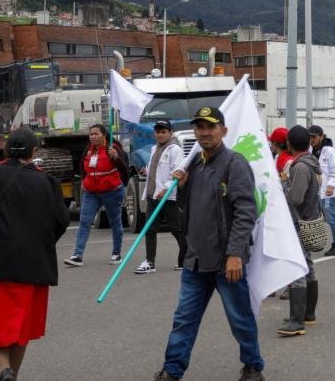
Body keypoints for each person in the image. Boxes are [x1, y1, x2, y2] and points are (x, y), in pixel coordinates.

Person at [155, 106, 263, 381]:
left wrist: (236, 253)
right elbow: (187, 208)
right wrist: (181, 186)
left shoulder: (234, 163)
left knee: (239, 319)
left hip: (227, 261)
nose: (204, 132)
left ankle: (252, 367)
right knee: (184, 320)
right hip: (195, 260)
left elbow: (245, 212)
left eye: (210, 127)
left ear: (223, 131)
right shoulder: (194, 165)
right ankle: (172, 370)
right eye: (200, 127)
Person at [0, 127, 68, 381]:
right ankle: (14, 375)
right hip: (34, 263)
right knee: (22, 326)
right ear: (33, 152)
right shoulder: (48, 182)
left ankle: (3, 370)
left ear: (6, 151)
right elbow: (61, 222)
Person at [278, 125, 321, 337]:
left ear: (289, 143)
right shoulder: (310, 163)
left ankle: (297, 321)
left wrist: (284, 185)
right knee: (308, 264)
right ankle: (307, 313)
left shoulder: (300, 167)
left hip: (299, 221)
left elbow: (295, 198)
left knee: (298, 267)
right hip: (309, 219)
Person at [65, 124, 126, 267]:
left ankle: (116, 253)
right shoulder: (88, 150)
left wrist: (116, 157)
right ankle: (77, 255)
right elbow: (82, 167)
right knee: (84, 221)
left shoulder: (113, 148)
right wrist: (83, 181)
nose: (93, 137)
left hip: (111, 192)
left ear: (104, 135)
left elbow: (124, 169)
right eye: (91, 134)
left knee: (115, 222)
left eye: (96, 134)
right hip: (91, 192)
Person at [136, 120, 187, 274]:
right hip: (153, 195)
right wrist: (147, 171)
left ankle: (186, 259)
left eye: (163, 132)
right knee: (150, 229)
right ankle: (150, 262)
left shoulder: (175, 149)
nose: (160, 134)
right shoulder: (153, 149)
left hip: (167, 197)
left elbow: (177, 171)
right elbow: (155, 167)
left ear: (170, 133)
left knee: (177, 229)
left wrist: (166, 189)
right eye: (157, 131)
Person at [309, 125, 335, 257]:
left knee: (331, 219)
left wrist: (331, 185)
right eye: (310, 137)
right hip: (317, 192)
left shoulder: (329, 151)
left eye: (314, 137)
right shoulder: (312, 150)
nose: (312, 140)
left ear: (321, 136)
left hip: (328, 191)